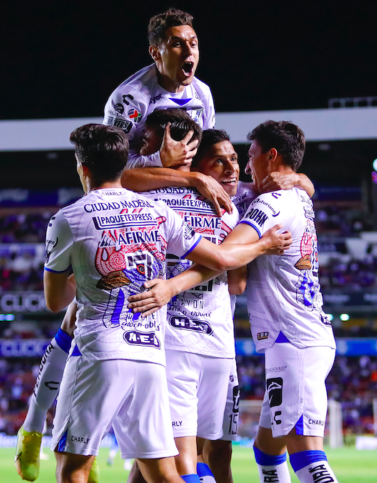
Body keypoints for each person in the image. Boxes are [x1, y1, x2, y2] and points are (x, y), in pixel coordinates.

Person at [44, 124, 291, 483]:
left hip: (102, 350)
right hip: (150, 354)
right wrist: (263, 245)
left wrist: (88, 273)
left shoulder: (68, 218)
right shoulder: (159, 213)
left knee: (73, 468)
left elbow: (56, 302)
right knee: (164, 472)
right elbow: (222, 261)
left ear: (83, 169)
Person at [127, 121, 339, 483]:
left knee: (206, 453)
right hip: (192, 341)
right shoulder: (219, 197)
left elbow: (234, 274)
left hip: (256, 342)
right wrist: (194, 181)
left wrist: (298, 179)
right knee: (248, 452)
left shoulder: (245, 199)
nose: (235, 167)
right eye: (219, 163)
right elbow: (127, 180)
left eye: (241, 157)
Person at [104, 8, 215, 170]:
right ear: (155, 53)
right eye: (177, 44)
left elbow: (208, 151)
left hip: (188, 184)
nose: (188, 51)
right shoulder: (129, 98)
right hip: (140, 188)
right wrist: (160, 160)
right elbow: (110, 164)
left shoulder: (202, 93)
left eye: (193, 44)